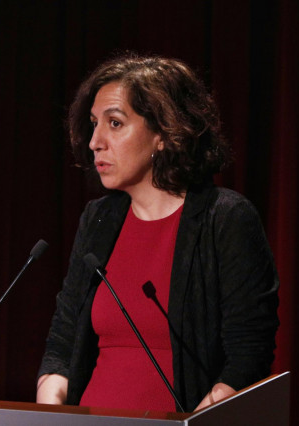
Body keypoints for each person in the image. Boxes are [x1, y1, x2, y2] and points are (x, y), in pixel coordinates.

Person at [36, 53, 279, 413]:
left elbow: (248, 354)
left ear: (164, 134)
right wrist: (51, 413)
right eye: (93, 124)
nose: (95, 141)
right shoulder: (98, 219)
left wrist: (195, 422)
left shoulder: (225, 218)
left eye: (115, 123)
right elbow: (63, 343)